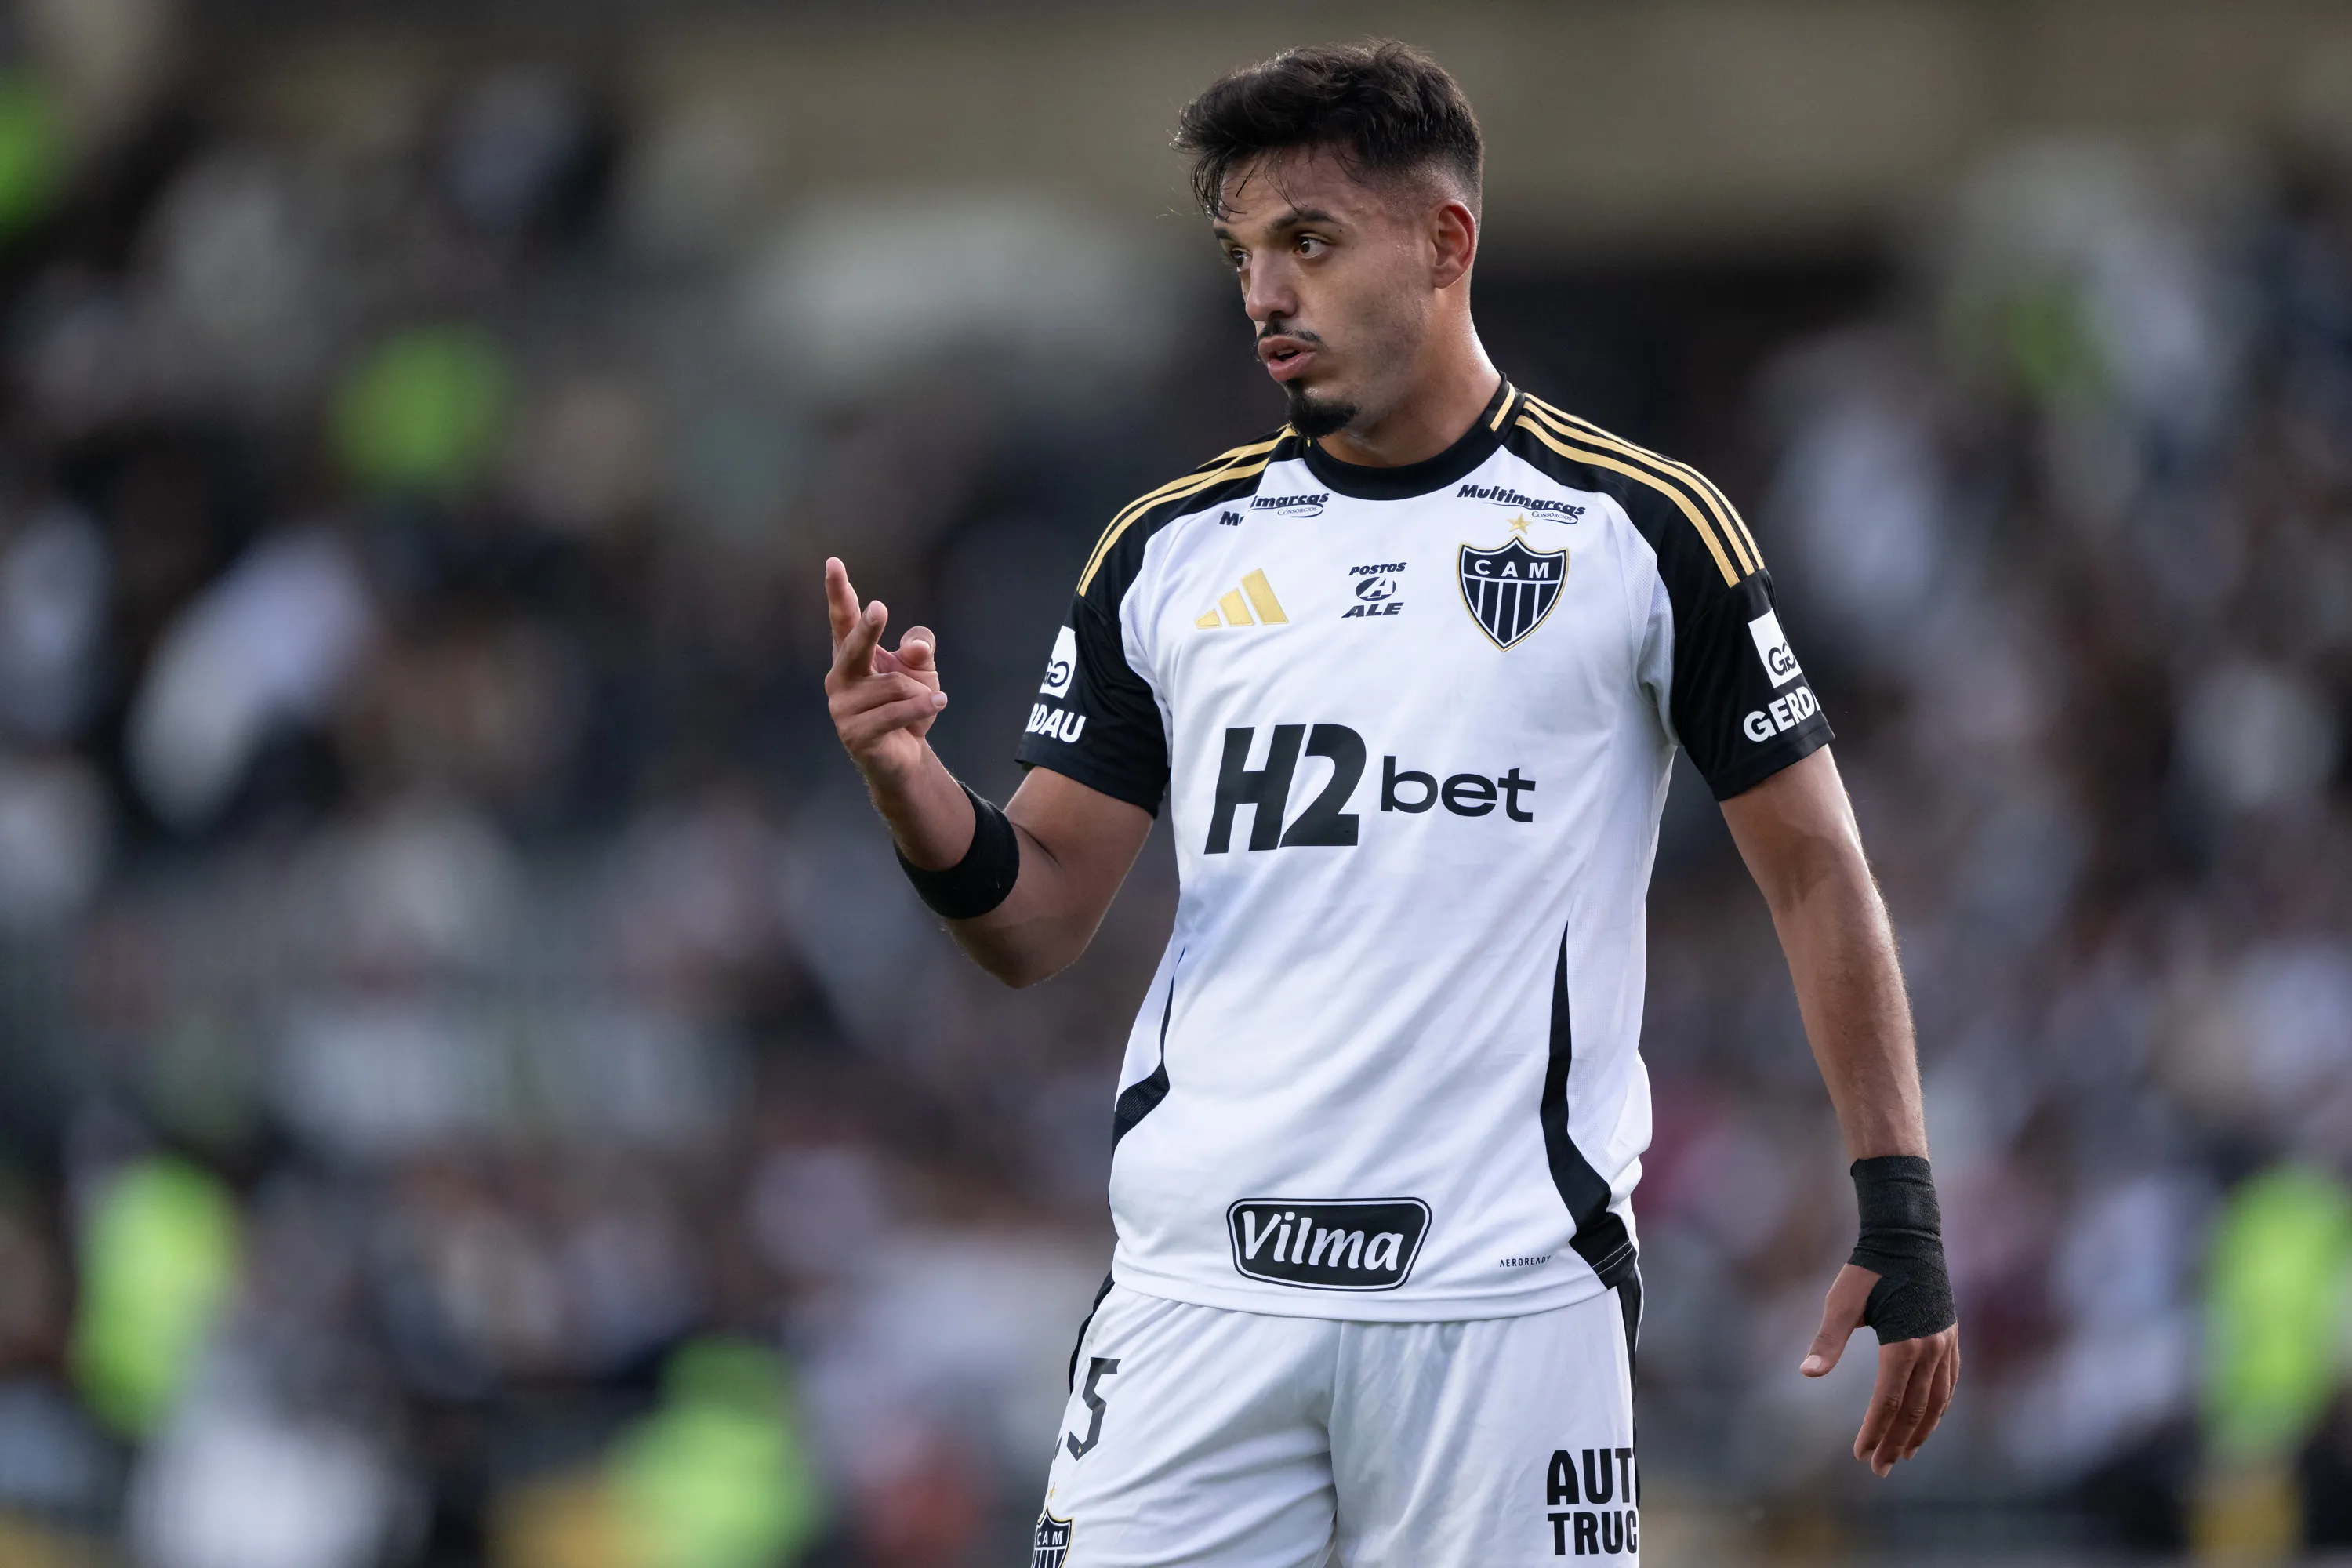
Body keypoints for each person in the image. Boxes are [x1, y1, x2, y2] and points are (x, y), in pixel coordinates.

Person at [823, 39, 1958, 1566]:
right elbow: (1031, 918)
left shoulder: (1640, 530)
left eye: (1308, 242)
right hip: (1201, 1295)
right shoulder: (1171, 550)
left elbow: (1820, 873)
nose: (1264, 296)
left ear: (1445, 243)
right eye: (1242, 255)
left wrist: (1898, 1202)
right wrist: (908, 784)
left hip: (1500, 1303)